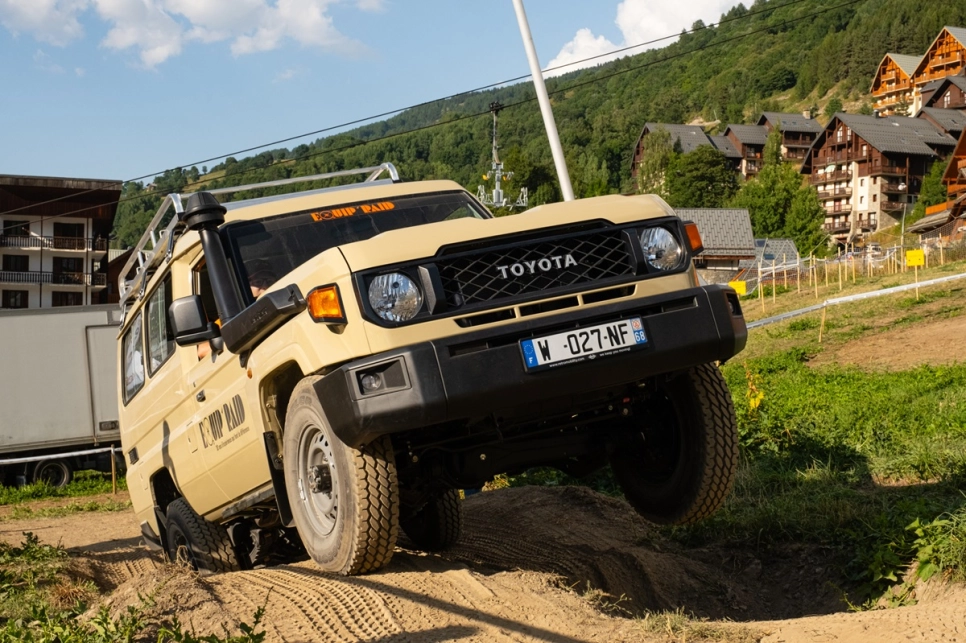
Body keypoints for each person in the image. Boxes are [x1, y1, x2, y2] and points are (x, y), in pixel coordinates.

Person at [197, 263, 276, 360]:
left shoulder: (286, 299)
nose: (264, 286)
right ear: (247, 287)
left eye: (269, 281)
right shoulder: (231, 315)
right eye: (258, 282)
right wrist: (235, 340)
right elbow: (202, 350)